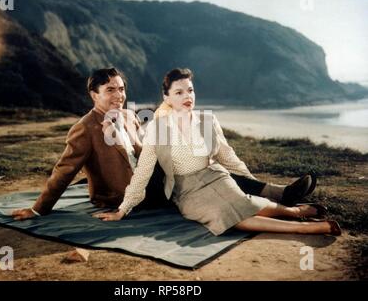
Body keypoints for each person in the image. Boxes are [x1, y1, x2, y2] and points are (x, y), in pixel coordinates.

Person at [13, 67, 317, 221]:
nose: (118, 95)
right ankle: (280, 198)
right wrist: (39, 210)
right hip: (123, 194)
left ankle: (276, 193)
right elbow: (63, 171)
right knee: (199, 172)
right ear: (94, 94)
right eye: (110, 90)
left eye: (121, 88)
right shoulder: (85, 128)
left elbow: (144, 153)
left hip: (150, 180)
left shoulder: (131, 115)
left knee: (203, 165)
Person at [94, 68, 341, 236]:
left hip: (214, 175)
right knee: (227, 216)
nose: (187, 96)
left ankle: (294, 210)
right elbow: (144, 170)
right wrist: (123, 209)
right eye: (178, 92)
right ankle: (305, 224)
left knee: (245, 203)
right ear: (166, 97)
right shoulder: (158, 128)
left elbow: (227, 156)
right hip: (185, 190)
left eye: (189, 90)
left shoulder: (207, 120)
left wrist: (251, 181)